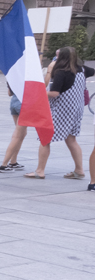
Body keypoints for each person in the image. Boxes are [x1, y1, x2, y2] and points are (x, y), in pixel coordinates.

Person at [28, 46, 91, 180]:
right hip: (77, 110)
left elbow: (55, 93)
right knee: (71, 139)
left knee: (45, 139)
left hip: (61, 110)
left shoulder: (61, 72)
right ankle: (79, 170)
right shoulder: (83, 69)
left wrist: (39, 93)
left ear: (61, 57)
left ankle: (40, 171)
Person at [0, 86, 27, 172]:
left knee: (21, 134)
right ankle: (4, 165)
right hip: (24, 103)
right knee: (18, 135)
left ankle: (13, 162)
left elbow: (9, 93)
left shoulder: (14, 75)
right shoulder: (28, 75)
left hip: (14, 102)